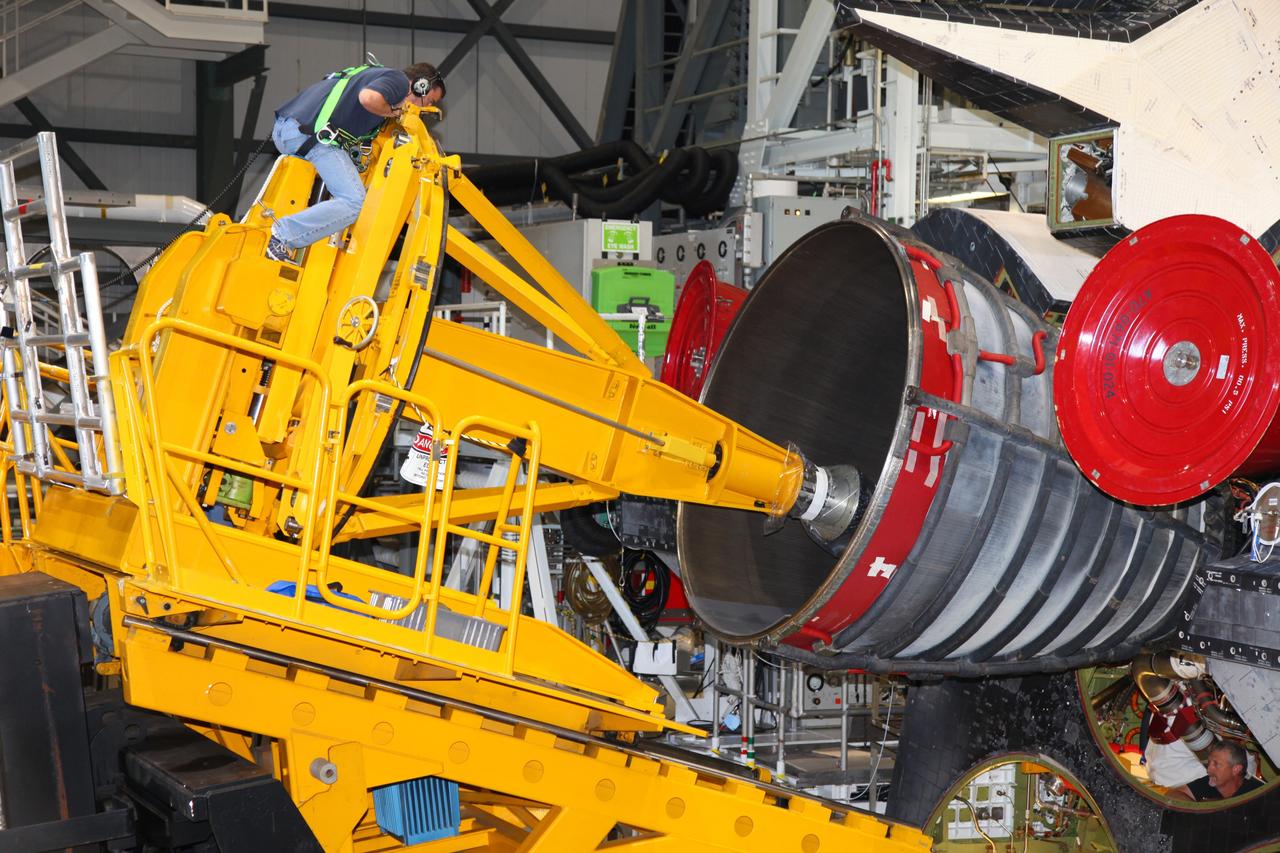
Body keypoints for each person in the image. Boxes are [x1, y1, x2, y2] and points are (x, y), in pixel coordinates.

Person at [266, 61, 446, 263]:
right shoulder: (398, 81)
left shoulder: (372, 74)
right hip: (312, 139)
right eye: (429, 101)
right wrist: (396, 112)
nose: (427, 108)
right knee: (354, 201)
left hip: (288, 131)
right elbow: (368, 98)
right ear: (420, 86)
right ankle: (283, 236)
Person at [1175, 740, 1265, 800]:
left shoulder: (1258, 793)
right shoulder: (1211, 782)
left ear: (1236, 769)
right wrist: (1197, 810)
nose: (1209, 769)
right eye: (1209, 763)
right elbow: (1172, 795)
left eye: (1216, 764)